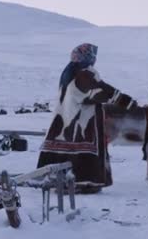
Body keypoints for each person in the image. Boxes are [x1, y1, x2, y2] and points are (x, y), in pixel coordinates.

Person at [37, 43, 138, 193]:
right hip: (81, 120)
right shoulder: (82, 73)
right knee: (82, 147)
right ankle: (83, 182)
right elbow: (98, 91)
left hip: (66, 118)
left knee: (67, 146)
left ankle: (68, 180)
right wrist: (125, 101)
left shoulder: (70, 71)